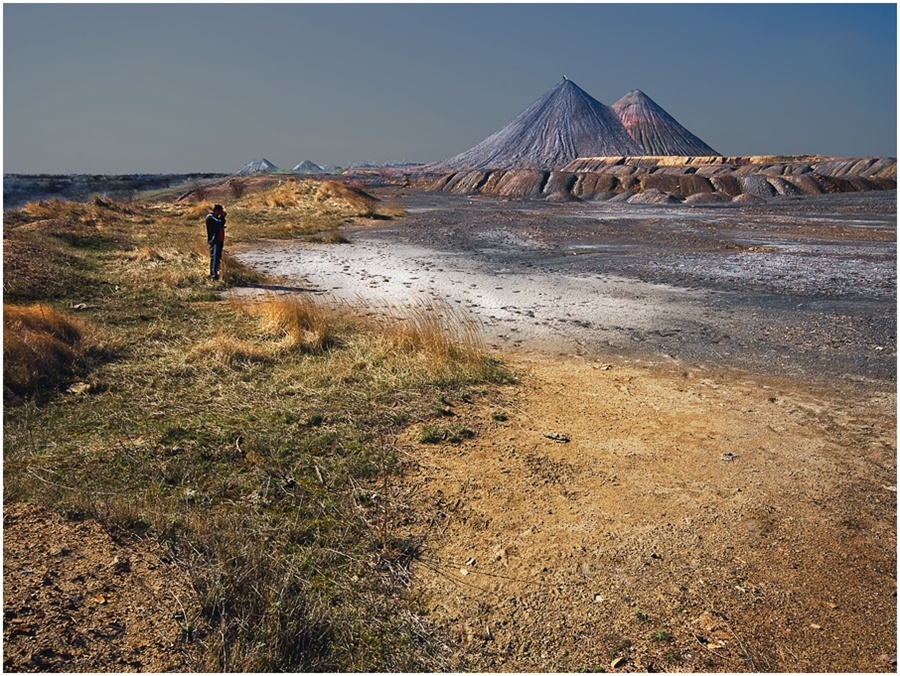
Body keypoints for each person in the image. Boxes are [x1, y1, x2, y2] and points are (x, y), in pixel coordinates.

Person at [205, 204, 226, 280]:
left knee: (218, 257)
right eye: (220, 211)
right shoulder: (210, 217)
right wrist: (222, 217)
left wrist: (222, 217)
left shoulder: (216, 217)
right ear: (216, 211)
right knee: (214, 257)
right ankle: (213, 274)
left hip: (220, 239)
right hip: (214, 240)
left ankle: (217, 271)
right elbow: (219, 222)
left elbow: (221, 223)